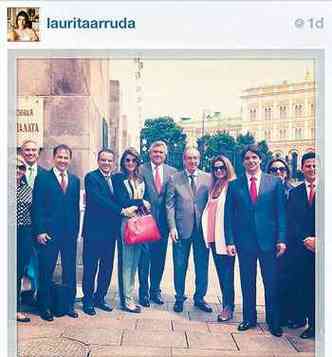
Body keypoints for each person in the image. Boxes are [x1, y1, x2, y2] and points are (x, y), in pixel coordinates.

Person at [224, 144, 287, 337]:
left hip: (269, 242)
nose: (251, 161)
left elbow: (280, 214)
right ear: (243, 162)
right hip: (245, 243)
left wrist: (281, 239)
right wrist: (230, 241)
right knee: (247, 281)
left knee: (271, 282)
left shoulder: (274, 182)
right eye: (247, 158)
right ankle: (249, 318)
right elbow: (228, 215)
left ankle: (273, 321)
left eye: (254, 158)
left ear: (260, 160)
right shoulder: (235, 185)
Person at [32, 144, 80, 321]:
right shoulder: (43, 178)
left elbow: (75, 209)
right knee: (46, 270)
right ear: (54, 158)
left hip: (68, 236)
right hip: (49, 234)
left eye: (66, 157)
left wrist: (75, 232)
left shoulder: (75, 180)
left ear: (70, 159)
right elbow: (37, 207)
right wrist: (40, 231)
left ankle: (68, 305)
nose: (63, 160)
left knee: (70, 270)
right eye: (60, 157)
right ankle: (44, 307)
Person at [166, 147, 212, 313]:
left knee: (202, 265)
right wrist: (172, 227)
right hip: (181, 229)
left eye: (195, 158)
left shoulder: (208, 178)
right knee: (179, 265)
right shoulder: (174, 178)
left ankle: (200, 297)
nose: (192, 161)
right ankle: (179, 297)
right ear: (184, 160)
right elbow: (169, 205)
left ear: (199, 160)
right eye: (189, 158)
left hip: (202, 231)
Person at [81, 149, 122, 315]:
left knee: (107, 267)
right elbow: (99, 200)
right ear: (98, 161)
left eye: (109, 161)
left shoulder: (116, 179)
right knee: (90, 267)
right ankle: (88, 300)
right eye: (103, 160)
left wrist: (140, 202)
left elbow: (123, 198)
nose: (106, 163)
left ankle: (100, 297)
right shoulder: (91, 177)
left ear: (113, 163)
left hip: (110, 232)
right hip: (93, 232)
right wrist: (121, 210)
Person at [138, 141, 177, 306]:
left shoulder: (172, 172)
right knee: (144, 259)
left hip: (163, 224)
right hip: (145, 221)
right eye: (155, 152)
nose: (158, 155)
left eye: (161, 152)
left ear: (165, 155)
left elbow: (172, 201)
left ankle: (155, 290)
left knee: (159, 259)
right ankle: (143, 292)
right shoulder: (140, 170)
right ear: (150, 153)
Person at [112, 147, 151, 313]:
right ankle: (126, 300)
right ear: (123, 162)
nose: (130, 163)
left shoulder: (141, 178)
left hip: (140, 223)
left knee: (136, 261)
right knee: (127, 262)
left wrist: (143, 202)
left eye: (133, 160)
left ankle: (130, 296)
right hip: (126, 223)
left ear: (137, 162)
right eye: (127, 160)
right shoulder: (118, 178)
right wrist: (142, 201)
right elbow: (123, 200)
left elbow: (147, 198)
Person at [266, 158, 301, 328]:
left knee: (292, 279)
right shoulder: (267, 190)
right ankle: (275, 316)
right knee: (275, 280)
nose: (278, 172)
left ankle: (293, 315)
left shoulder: (293, 191)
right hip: (272, 242)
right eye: (274, 170)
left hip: (292, 243)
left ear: (287, 172)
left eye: (281, 169)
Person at [201, 155, 236, 322]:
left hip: (227, 239)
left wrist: (232, 240)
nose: (219, 170)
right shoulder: (214, 186)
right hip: (214, 238)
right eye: (215, 168)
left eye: (222, 167)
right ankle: (227, 304)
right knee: (221, 273)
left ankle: (228, 307)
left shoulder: (232, 186)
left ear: (227, 167)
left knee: (228, 273)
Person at [287, 152, 316, 339]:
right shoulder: (295, 192)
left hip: (322, 247)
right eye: (308, 166)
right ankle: (301, 318)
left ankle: (315, 324)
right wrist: (305, 240)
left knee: (318, 287)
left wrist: (320, 240)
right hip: (302, 247)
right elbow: (292, 221)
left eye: (315, 165)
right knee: (303, 285)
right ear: (302, 168)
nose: (312, 169)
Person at [20, 140, 47, 306]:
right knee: (21, 261)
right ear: (22, 152)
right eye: (27, 150)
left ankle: (38, 295)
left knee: (39, 262)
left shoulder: (45, 174)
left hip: (39, 227)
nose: (30, 153)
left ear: (38, 153)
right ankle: (22, 295)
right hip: (21, 226)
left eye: (33, 150)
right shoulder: (15, 172)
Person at [16, 155, 33, 322]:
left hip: (24, 234)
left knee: (18, 272)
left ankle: (15, 309)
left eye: (21, 168)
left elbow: (33, 213)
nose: (18, 170)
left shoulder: (28, 189)